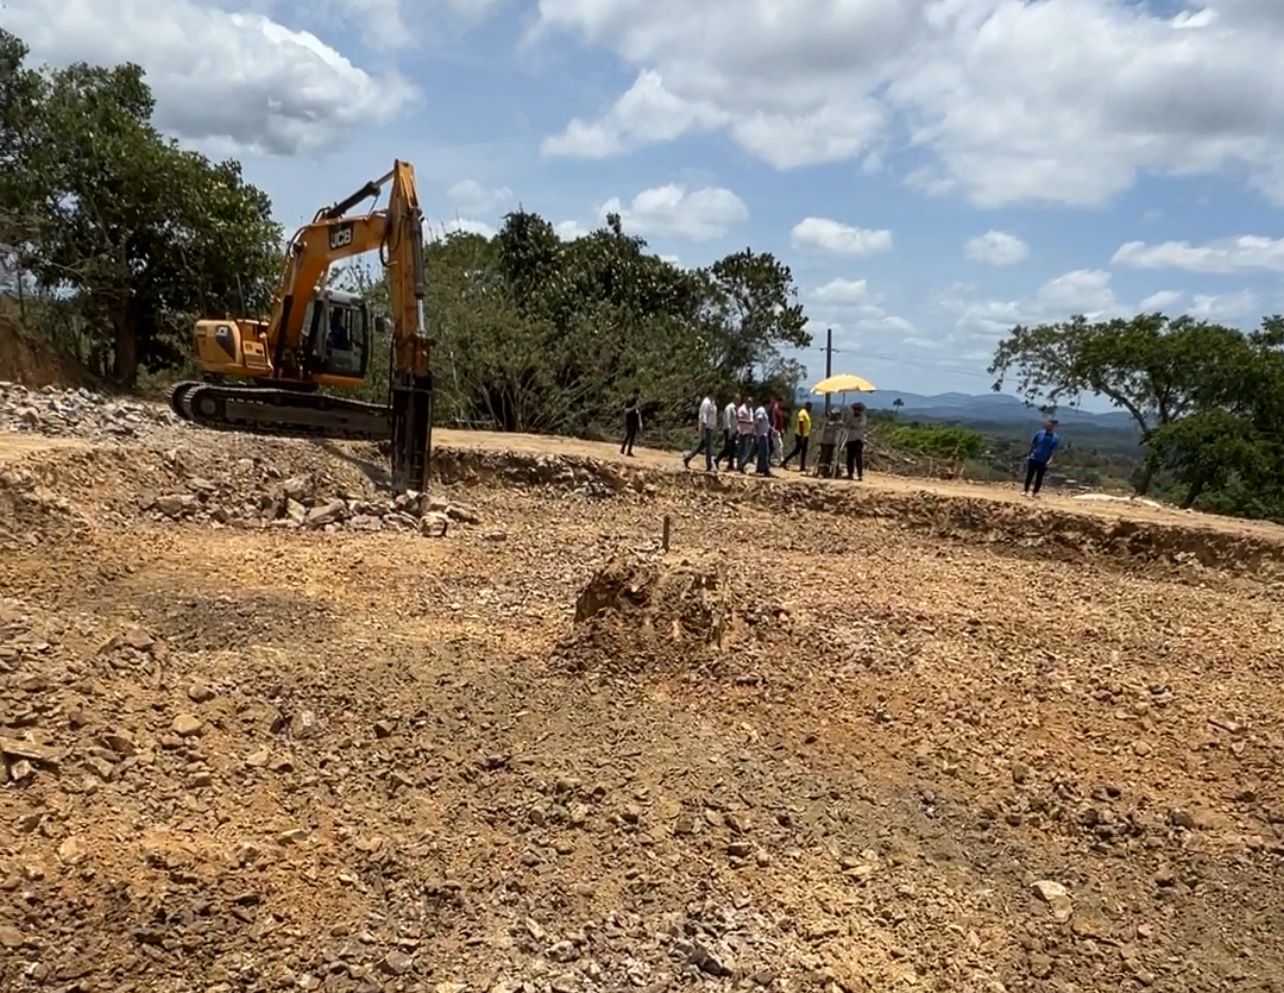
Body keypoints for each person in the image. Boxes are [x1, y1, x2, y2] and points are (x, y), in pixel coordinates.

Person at [1024, 418, 1060, 496]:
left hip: (1044, 460)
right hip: (1034, 457)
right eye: (1048, 424)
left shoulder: (1055, 438)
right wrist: (1029, 454)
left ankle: (1035, 492)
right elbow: (1033, 445)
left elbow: (1053, 451)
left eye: (1051, 425)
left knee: (1039, 477)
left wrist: (1050, 460)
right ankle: (1025, 490)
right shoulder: (1039, 434)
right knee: (1029, 475)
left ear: (1054, 427)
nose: (1049, 426)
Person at [683, 392, 718, 471]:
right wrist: (702, 429)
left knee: (701, 446)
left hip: (710, 427)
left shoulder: (712, 403)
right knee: (708, 447)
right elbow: (703, 416)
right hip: (707, 427)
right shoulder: (706, 403)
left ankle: (688, 458)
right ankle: (709, 465)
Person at [781, 400, 812, 471]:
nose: (810, 408)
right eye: (809, 407)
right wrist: (802, 436)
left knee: (804, 451)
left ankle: (802, 466)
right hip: (800, 435)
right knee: (797, 450)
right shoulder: (802, 413)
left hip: (805, 435)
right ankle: (785, 461)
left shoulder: (807, 413)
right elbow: (801, 423)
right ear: (806, 406)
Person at [716, 394, 739, 470]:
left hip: (734, 430)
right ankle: (717, 459)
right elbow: (727, 419)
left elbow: (736, 420)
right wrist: (729, 431)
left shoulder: (736, 408)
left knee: (733, 448)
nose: (738, 401)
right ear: (734, 399)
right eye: (737, 399)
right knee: (728, 448)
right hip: (729, 430)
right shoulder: (729, 407)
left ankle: (730, 464)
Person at [845, 401, 867, 481]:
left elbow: (860, 425)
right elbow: (846, 425)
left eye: (858, 410)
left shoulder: (863, 418)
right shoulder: (851, 417)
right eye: (855, 409)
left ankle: (860, 474)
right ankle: (850, 473)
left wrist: (853, 425)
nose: (856, 411)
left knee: (858, 458)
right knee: (849, 458)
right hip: (850, 439)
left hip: (859, 439)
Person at [753, 399, 773, 476]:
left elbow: (766, 423)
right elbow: (758, 421)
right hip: (762, 435)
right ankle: (766, 469)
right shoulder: (762, 411)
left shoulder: (763, 411)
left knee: (761, 453)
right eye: (770, 404)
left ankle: (759, 468)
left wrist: (772, 430)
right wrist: (756, 432)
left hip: (763, 434)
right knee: (765, 452)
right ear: (767, 404)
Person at [735, 396, 755, 472]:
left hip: (749, 431)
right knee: (742, 449)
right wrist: (748, 422)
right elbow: (739, 419)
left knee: (747, 450)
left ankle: (742, 464)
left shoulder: (750, 409)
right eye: (749, 402)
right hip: (742, 432)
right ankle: (740, 465)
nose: (750, 404)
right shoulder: (741, 409)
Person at [621, 388, 642, 457]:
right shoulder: (629, 401)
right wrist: (633, 407)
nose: (638, 395)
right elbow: (626, 411)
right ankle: (622, 449)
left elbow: (638, 412)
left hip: (635, 420)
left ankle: (629, 451)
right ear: (634, 394)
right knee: (628, 434)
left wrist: (640, 422)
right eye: (637, 394)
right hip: (629, 420)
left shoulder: (637, 402)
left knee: (633, 436)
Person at [769, 397, 786, 465]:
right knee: (779, 445)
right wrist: (774, 428)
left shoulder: (779, 409)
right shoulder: (775, 409)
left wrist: (782, 428)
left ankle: (770, 459)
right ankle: (781, 460)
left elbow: (781, 420)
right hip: (775, 430)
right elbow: (774, 420)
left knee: (775, 446)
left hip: (778, 430)